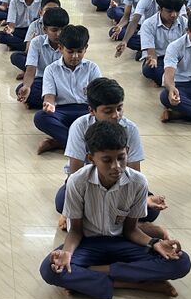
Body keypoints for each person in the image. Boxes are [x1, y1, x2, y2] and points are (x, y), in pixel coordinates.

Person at [39, 120, 190, 299]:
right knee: (49, 269)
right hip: (88, 244)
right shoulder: (77, 181)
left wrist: (154, 243)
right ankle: (131, 282)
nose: (116, 166)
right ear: (91, 158)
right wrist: (67, 254)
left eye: (121, 157)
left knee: (181, 262)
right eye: (107, 160)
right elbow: (76, 231)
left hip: (121, 241)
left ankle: (94, 276)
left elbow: (131, 230)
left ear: (127, 151)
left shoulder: (138, 182)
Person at [55, 79, 167, 226]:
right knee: (62, 202)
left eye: (119, 108)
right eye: (108, 111)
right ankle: (120, 221)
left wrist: (142, 197)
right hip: (87, 183)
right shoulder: (80, 126)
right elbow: (75, 172)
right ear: (92, 110)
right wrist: (69, 209)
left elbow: (134, 172)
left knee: (151, 211)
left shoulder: (130, 129)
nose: (116, 115)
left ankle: (106, 218)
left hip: (120, 182)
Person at [34, 25, 102, 153]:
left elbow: (98, 96)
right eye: (70, 52)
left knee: (106, 118)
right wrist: (49, 105)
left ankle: (60, 141)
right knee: (41, 117)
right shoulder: (51, 70)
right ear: (60, 48)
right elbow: (49, 96)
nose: (75, 56)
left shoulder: (92, 68)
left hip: (86, 110)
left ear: (85, 49)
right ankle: (83, 148)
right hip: (62, 112)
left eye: (79, 51)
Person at [17, 7, 68, 109]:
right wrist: (27, 86)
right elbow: (31, 69)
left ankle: (50, 103)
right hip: (42, 80)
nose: (59, 34)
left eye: (62, 30)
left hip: (64, 81)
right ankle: (62, 103)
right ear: (45, 29)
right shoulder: (36, 42)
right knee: (22, 89)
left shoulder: (69, 43)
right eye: (54, 30)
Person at [139, 0, 188, 86]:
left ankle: (165, 81)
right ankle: (183, 80)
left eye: (177, 11)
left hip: (179, 59)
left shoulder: (184, 22)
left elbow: (188, 48)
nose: (174, 15)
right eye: (169, 11)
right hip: (160, 59)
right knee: (149, 69)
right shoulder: (148, 24)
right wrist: (153, 60)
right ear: (160, 9)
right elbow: (152, 54)